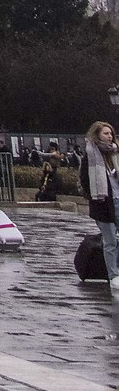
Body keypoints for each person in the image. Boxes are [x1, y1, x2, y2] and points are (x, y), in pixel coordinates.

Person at [82, 120, 119, 290]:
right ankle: (113, 275)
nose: (109, 136)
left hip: (118, 200)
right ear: (97, 135)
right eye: (105, 133)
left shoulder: (115, 154)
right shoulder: (90, 155)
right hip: (103, 204)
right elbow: (84, 180)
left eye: (111, 133)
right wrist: (95, 197)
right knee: (110, 241)